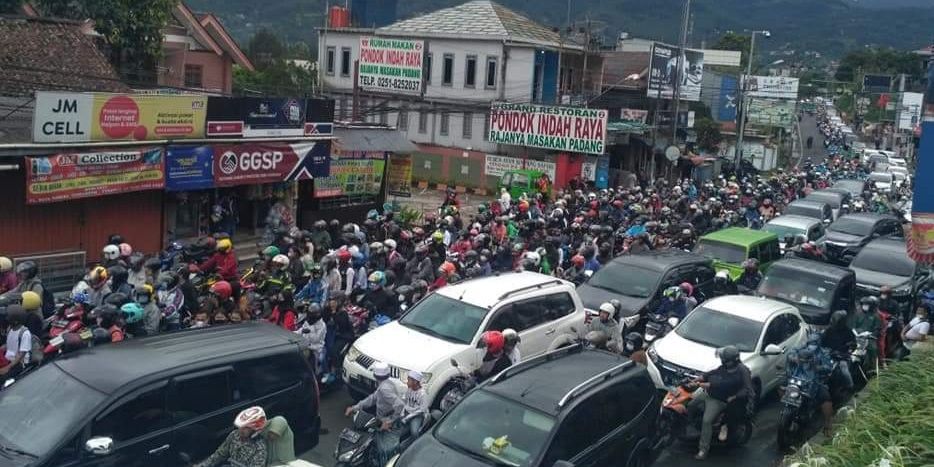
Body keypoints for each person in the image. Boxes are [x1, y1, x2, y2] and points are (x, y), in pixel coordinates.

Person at [688, 346, 747, 460]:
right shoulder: (725, 367)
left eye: (725, 359)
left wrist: (701, 384)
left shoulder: (739, 373)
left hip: (719, 400)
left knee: (707, 421)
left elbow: (722, 384)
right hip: (709, 394)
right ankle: (691, 426)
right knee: (690, 405)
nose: (722, 361)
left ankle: (703, 450)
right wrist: (698, 378)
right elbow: (713, 373)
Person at [345, 362, 404, 466]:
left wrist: (390, 421)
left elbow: (399, 405)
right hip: (381, 419)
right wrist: (355, 408)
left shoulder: (385, 388)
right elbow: (372, 399)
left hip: (388, 421)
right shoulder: (386, 384)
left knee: (384, 451)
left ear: (375, 375)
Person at [196, 407, 268, 467]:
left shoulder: (259, 448)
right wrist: (203, 465)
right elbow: (220, 454)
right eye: (241, 425)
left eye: (246, 427)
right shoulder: (234, 435)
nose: (241, 430)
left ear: (254, 429)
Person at [821, 310, 856, 393]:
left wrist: (848, 350)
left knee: (844, 370)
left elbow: (853, 344)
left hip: (841, 356)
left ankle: (850, 386)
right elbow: (821, 342)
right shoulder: (828, 331)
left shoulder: (848, 332)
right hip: (827, 354)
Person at [0, 305, 32, 379]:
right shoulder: (10, 329)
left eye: (8, 317)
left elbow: (21, 354)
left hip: (18, 364)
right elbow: (8, 344)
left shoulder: (25, 333)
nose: (6, 319)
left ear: (15, 321)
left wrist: (8, 367)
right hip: (7, 360)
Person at [296, 302, 327, 372]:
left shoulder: (322, 325)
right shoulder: (308, 321)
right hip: (305, 345)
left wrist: (309, 331)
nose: (310, 315)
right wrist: (293, 333)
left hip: (315, 348)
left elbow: (316, 339)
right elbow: (301, 330)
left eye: (312, 313)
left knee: (313, 365)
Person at [401, 371, 429, 438]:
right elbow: (404, 402)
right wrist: (402, 414)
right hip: (408, 412)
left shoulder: (422, 394)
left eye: (409, 380)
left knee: (414, 432)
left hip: (417, 415)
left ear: (415, 382)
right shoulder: (409, 390)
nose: (407, 382)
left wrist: (407, 418)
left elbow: (422, 410)